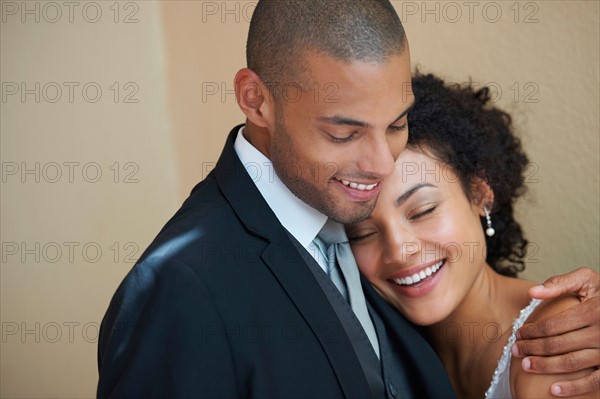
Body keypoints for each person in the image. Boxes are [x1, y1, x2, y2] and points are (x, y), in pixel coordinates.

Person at [97, 2, 599, 398]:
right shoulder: (178, 287)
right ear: (256, 100)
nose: (381, 164)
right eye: (343, 132)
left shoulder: (347, 215)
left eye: (397, 124)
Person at [346, 72, 600, 398]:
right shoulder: (384, 354)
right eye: (362, 234)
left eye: (422, 211)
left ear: (481, 194)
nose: (399, 250)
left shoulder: (561, 338)